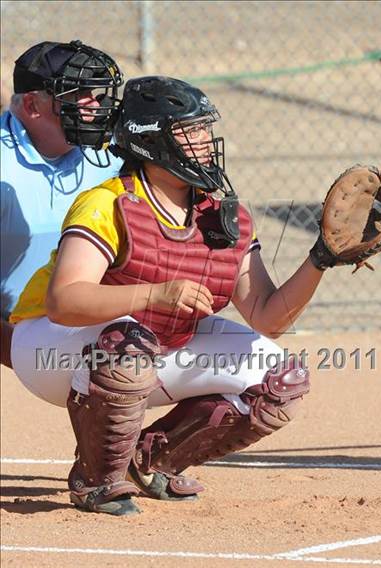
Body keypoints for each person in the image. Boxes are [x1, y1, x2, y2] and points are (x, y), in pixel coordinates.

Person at [9, 76, 330, 517]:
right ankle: (96, 478)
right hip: (50, 346)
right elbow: (64, 302)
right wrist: (155, 294)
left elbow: (268, 318)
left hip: (150, 344)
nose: (204, 141)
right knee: (128, 341)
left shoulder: (220, 214)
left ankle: (153, 459)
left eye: (204, 129)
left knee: (281, 380)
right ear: (150, 140)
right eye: (190, 130)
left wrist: (321, 258)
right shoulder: (108, 203)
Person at [0, 40, 124, 367]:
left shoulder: (113, 155)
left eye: (96, 96)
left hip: (88, 328)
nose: (95, 108)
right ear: (32, 106)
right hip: (13, 338)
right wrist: (20, 353)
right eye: (76, 98)